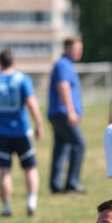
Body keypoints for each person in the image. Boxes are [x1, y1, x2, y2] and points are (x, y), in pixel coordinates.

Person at [0, 49, 44, 217]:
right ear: (13, 62)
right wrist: (39, 124)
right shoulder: (23, 79)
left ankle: (6, 207)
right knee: (30, 168)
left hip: (2, 132)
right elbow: (32, 103)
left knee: (4, 171)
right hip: (22, 130)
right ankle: (31, 201)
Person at [48, 37, 86, 194]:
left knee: (61, 148)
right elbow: (63, 87)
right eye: (74, 49)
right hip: (62, 114)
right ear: (66, 49)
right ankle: (72, 182)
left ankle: (56, 185)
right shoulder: (64, 64)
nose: (77, 52)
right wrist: (71, 111)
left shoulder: (67, 64)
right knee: (79, 144)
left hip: (58, 114)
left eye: (79, 49)